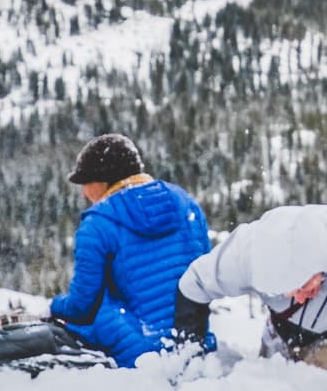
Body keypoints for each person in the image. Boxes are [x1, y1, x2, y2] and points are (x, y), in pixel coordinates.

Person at [48, 133, 210, 368]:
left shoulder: (98, 223)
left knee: (98, 305)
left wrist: (53, 306)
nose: (84, 192)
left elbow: (81, 308)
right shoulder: (187, 203)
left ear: (104, 179)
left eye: (85, 182)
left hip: (143, 355)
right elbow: (206, 275)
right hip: (196, 346)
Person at [172, 203, 327, 382]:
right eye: (289, 293)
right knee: (270, 380)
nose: (300, 297)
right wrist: (190, 353)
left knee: (317, 381)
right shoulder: (246, 251)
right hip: (281, 329)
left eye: (306, 288)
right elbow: (194, 284)